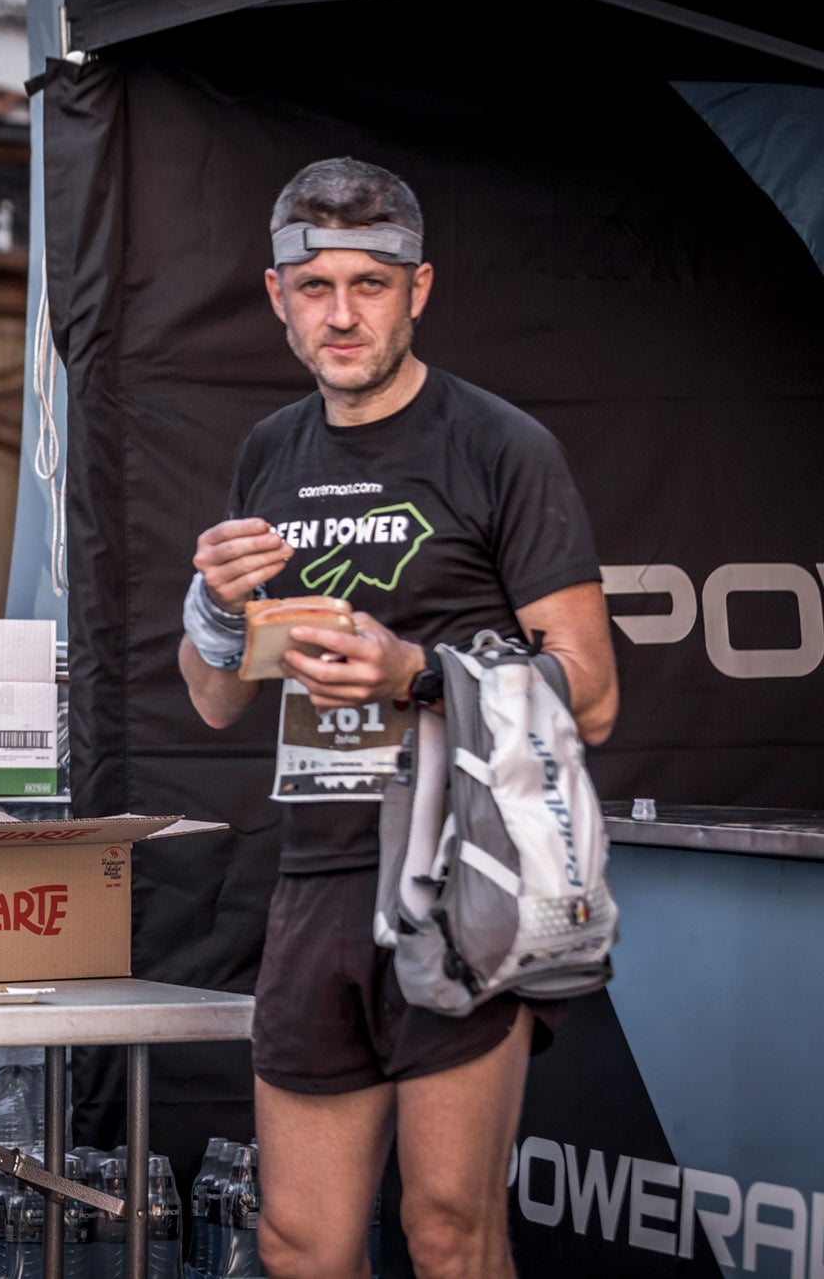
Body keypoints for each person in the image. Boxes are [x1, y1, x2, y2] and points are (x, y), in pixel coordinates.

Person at [177, 158, 618, 1279]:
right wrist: (212, 613)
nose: (339, 313)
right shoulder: (269, 451)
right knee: (297, 1241)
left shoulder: (497, 444)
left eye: (367, 284)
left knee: (445, 1231)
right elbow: (215, 696)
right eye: (312, 285)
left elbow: (594, 693)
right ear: (275, 297)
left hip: (458, 879)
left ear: (416, 289)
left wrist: (413, 672)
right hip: (316, 877)